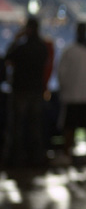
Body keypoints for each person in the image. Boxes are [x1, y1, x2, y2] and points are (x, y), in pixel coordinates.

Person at [2, 17, 49, 170]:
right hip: (36, 90)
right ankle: (35, 158)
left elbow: (7, 58)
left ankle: (15, 159)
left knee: (17, 126)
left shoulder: (21, 46)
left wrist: (16, 39)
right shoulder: (42, 47)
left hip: (21, 90)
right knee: (35, 126)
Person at [57, 22, 86, 161]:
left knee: (70, 126)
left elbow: (61, 73)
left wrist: (64, 88)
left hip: (72, 95)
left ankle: (67, 153)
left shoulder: (69, 50)